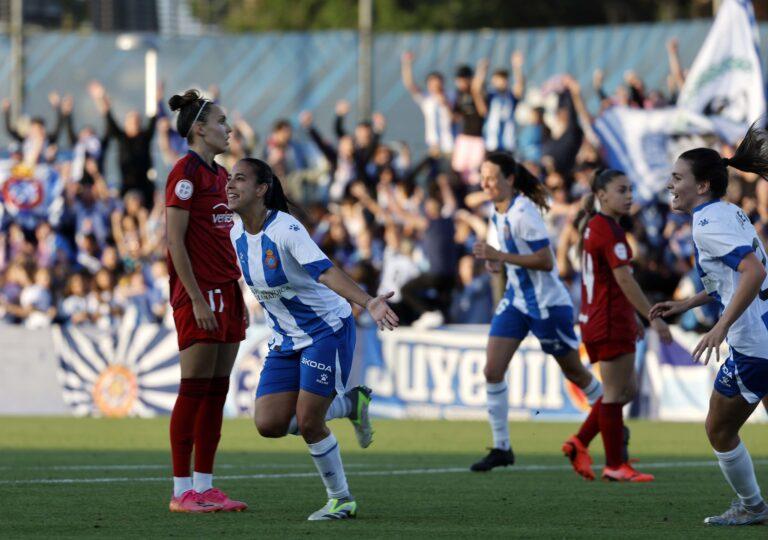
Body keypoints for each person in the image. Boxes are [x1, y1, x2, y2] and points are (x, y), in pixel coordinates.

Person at [225, 157, 399, 520]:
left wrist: (367, 302)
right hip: (285, 339)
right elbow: (250, 279)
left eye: (239, 179)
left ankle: (341, 499)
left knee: (308, 422)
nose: (230, 185)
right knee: (268, 424)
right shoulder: (235, 233)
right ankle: (350, 404)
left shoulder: (287, 229)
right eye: (229, 178)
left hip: (326, 330)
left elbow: (325, 271)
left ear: (261, 190)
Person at [650, 126, 768, 526]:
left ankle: (752, 507)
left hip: (754, 343)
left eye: (678, 178)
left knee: (718, 429)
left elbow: (751, 272)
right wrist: (689, 301)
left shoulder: (706, 224)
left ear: (702, 185)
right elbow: (733, 278)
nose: (671, 185)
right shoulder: (729, 211)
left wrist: (720, 326)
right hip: (764, 332)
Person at [468, 152, 604, 472]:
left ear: (510, 179)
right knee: (492, 370)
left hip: (546, 304)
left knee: (575, 372)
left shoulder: (523, 212)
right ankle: (502, 447)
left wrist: (499, 254)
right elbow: (503, 257)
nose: (484, 183)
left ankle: (611, 421)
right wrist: (494, 260)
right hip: (516, 301)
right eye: (482, 177)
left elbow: (545, 260)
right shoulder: (496, 213)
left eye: (490, 178)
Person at [165, 89, 247, 513]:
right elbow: (174, 242)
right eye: (220, 122)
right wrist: (196, 297)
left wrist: (236, 289)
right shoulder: (185, 173)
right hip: (200, 293)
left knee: (217, 391)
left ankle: (205, 486)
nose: (228, 128)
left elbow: (223, 236)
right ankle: (181, 493)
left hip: (227, 290)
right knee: (193, 389)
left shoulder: (220, 175)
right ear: (199, 129)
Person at [565, 169, 672, 483]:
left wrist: (633, 317)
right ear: (602, 196)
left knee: (626, 390)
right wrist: (653, 317)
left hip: (608, 317)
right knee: (614, 392)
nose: (629, 196)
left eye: (630, 190)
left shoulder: (598, 227)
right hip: (607, 319)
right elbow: (624, 279)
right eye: (621, 190)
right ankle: (614, 464)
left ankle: (580, 442)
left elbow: (613, 282)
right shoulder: (608, 231)